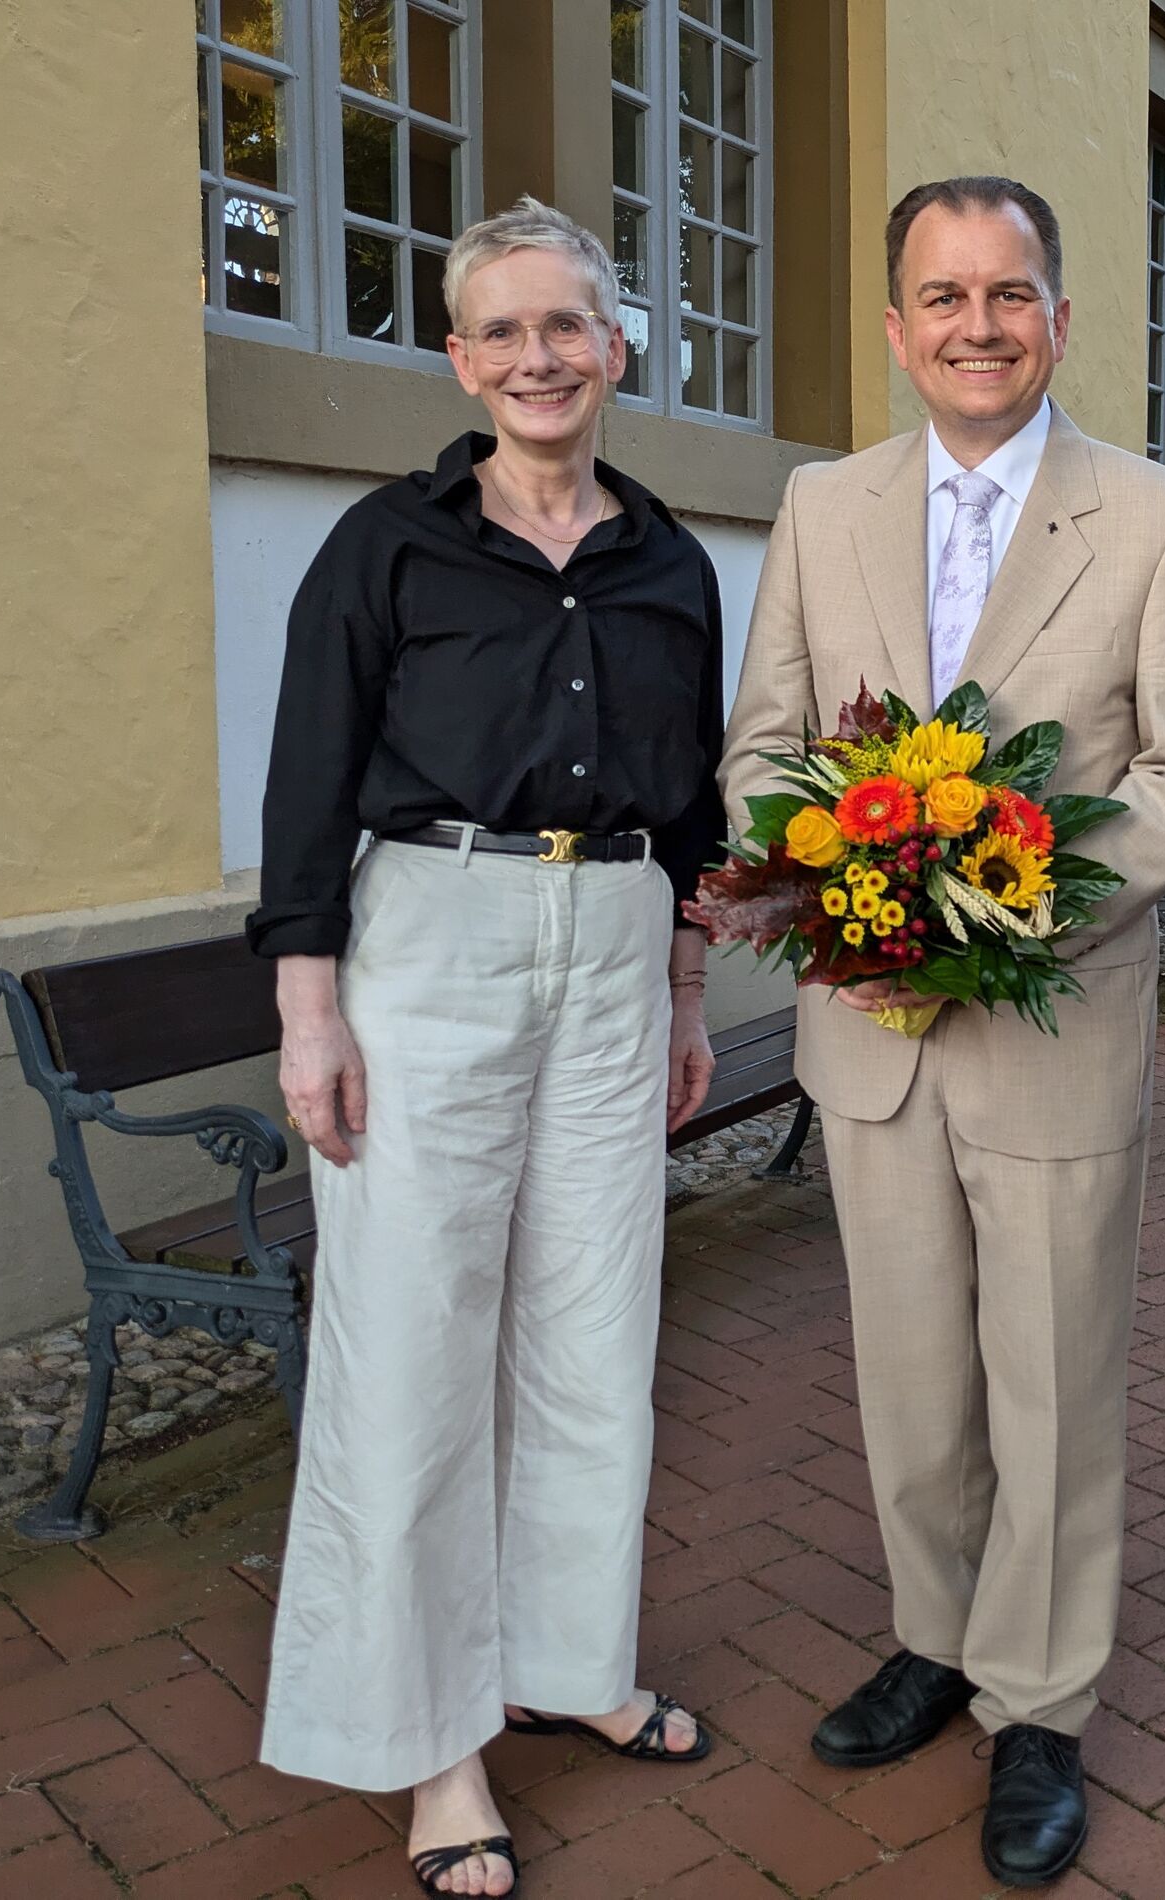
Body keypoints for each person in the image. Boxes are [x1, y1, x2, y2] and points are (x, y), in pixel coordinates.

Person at [722, 176, 1165, 1886]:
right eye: (941, 297)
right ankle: (934, 1638)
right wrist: (841, 877)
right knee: (911, 1379)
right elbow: (764, 746)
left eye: (1008, 293)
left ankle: (1040, 1704)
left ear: (1062, 318)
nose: (976, 325)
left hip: (1050, 1021)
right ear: (896, 328)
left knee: (1051, 1380)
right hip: (870, 1028)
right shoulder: (821, 504)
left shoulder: (1160, 517)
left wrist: (1017, 895)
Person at [246, 198, 725, 1899]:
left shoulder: (670, 560)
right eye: (502, 331)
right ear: (461, 357)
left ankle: (568, 1663)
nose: (538, 356)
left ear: (615, 345)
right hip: (429, 946)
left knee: (598, 1331)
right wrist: (311, 1015)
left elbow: (693, 808)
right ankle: (434, 1745)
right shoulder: (387, 545)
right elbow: (306, 786)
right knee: (415, 1346)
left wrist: (678, 994)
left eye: (568, 326)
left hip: (609, 952)